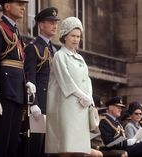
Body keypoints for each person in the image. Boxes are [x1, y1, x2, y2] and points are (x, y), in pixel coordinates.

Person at [0, 0, 35, 157]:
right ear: (7, 6)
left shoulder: (15, 31)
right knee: (1, 144)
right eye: (19, 3)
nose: (23, 8)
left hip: (16, 92)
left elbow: (19, 64)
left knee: (13, 145)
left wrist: (26, 83)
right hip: (4, 93)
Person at [45, 16, 102, 157]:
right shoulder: (59, 56)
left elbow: (87, 80)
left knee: (80, 149)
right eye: (73, 36)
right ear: (65, 36)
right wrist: (82, 96)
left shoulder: (80, 58)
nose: (76, 39)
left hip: (81, 108)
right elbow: (66, 80)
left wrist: (90, 98)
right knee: (66, 147)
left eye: (78, 36)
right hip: (66, 107)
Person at [24, 7, 60, 157]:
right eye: (51, 22)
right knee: (36, 147)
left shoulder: (54, 50)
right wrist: (33, 104)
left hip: (52, 104)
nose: (55, 25)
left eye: (55, 22)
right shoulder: (33, 47)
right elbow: (29, 78)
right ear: (41, 24)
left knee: (49, 149)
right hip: (40, 105)